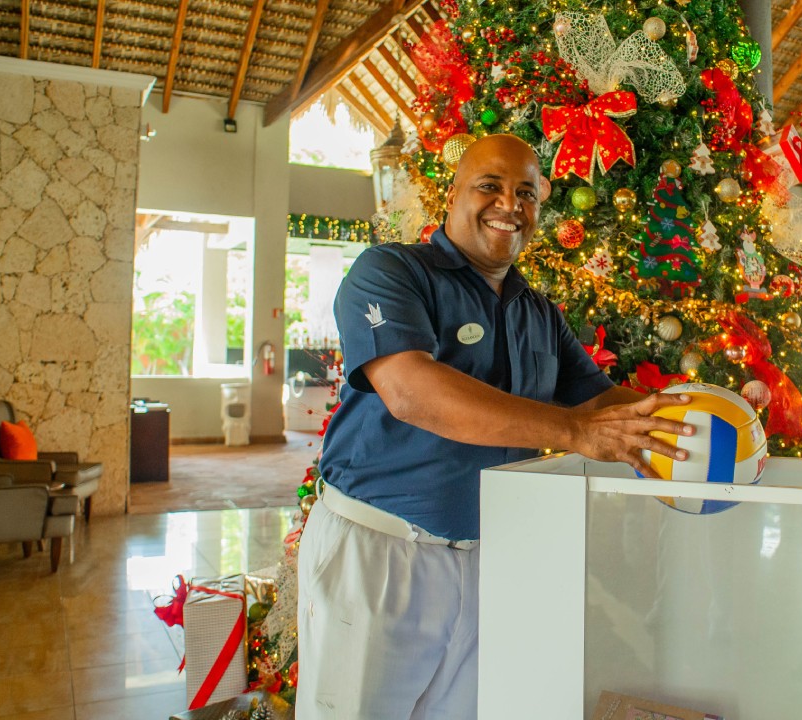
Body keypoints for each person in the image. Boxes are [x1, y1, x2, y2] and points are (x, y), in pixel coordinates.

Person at [297, 134, 693, 719]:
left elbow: (605, 402)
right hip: (379, 553)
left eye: (526, 193)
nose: (510, 204)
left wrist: (704, 421)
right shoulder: (391, 271)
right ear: (452, 194)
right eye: (490, 186)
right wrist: (576, 432)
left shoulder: (538, 311)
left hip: (488, 559)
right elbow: (410, 392)